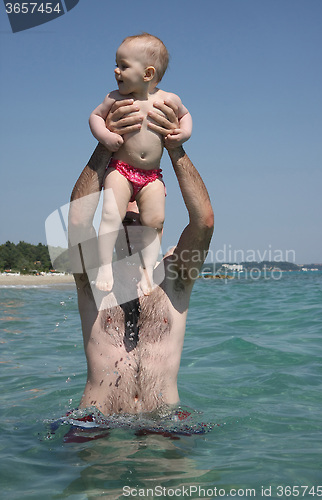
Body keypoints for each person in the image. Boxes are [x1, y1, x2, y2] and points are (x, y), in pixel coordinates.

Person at [68, 99, 213, 418]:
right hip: (95, 426)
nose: (130, 203)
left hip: (166, 427)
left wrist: (175, 148)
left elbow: (203, 221)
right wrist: (107, 144)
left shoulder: (175, 275)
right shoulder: (92, 274)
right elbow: (78, 219)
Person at [89, 33, 192, 294]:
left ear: (147, 74)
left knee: (156, 221)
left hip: (152, 176)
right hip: (120, 170)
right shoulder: (114, 98)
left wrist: (184, 133)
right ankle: (105, 267)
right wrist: (105, 136)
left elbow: (186, 115)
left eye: (124, 66)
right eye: (116, 64)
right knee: (111, 215)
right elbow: (95, 117)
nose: (116, 70)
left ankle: (147, 271)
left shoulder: (168, 100)